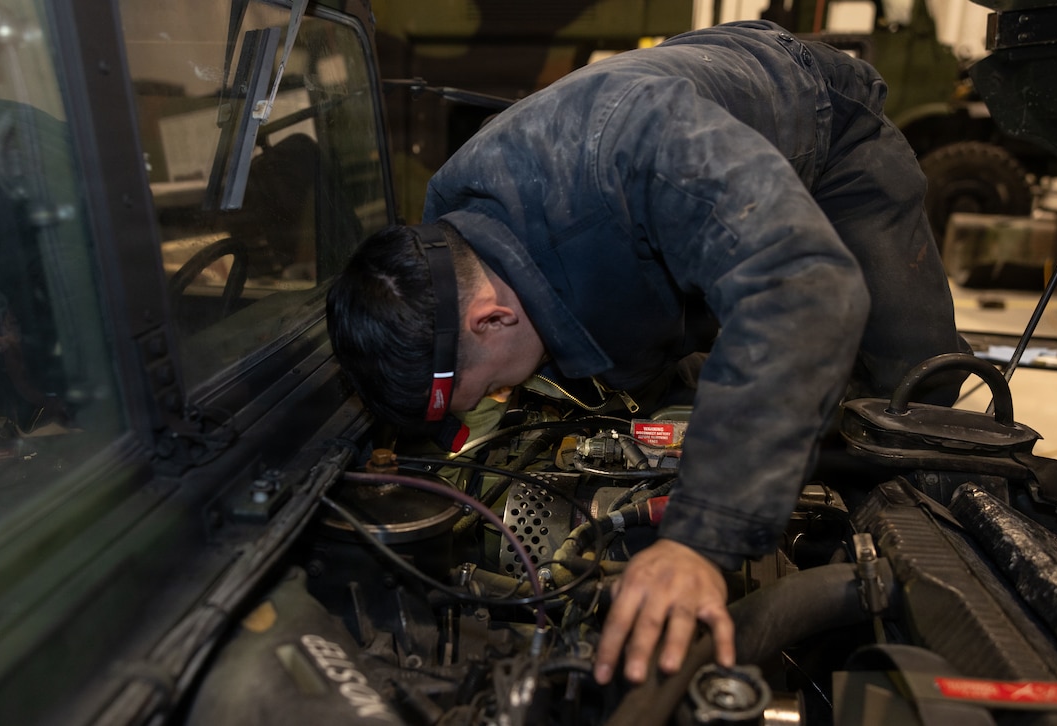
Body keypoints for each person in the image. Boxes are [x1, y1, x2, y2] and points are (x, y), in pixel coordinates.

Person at [326, 19, 967, 687]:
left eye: (483, 390)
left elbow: (804, 289)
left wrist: (699, 540)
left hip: (821, 126)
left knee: (908, 414)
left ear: (493, 318)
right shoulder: (450, 240)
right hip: (653, 194)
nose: (497, 399)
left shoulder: (637, 148)